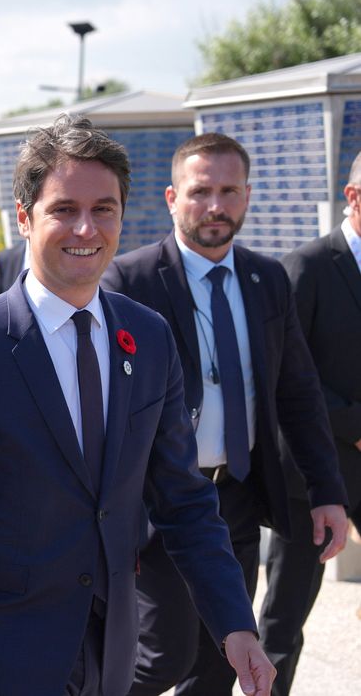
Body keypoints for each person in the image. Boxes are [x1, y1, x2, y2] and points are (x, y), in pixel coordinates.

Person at [0, 115, 275, 696]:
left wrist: (235, 624)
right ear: (24, 218)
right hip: (2, 657)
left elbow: (184, 499)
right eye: (63, 209)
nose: (86, 227)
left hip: (113, 655)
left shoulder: (147, 339)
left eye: (104, 208)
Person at [102, 132, 349, 696]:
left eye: (229, 191)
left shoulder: (267, 280)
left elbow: (299, 394)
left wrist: (325, 489)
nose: (215, 206)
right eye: (200, 191)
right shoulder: (129, 282)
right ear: (171, 197)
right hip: (158, 503)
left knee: (220, 659)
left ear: (247, 195)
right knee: (161, 654)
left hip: (234, 498)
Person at [274, 149, 361, 694]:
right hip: (313, 474)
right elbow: (286, 369)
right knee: (285, 618)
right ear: (353, 197)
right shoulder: (306, 266)